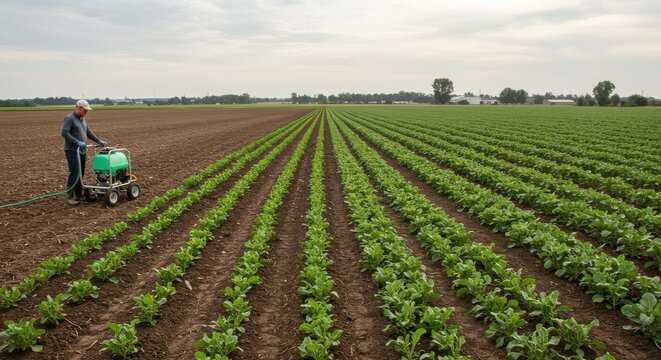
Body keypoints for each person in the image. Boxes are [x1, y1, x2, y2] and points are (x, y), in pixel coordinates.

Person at [61, 100, 107, 206]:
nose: (86, 112)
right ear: (78, 108)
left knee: (81, 173)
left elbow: (88, 132)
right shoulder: (70, 118)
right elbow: (64, 132)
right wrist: (77, 142)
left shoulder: (83, 119)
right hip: (72, 150)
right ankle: (70, 196)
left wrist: (99, 141)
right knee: (75, 173)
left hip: (81, 150)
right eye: (85, 110)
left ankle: (79, 194)